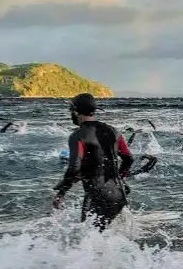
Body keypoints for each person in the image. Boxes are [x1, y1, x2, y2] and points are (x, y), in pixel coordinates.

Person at [53, 93, 134, 231]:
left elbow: (74, 167)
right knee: (111, 238)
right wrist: (119, 176)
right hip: (120, 194)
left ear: (76, 112)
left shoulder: (78, 136)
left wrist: (61, 192)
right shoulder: (114, 131)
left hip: (98, 196)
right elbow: (128, 158)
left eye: (71, 111)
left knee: (88, 239)